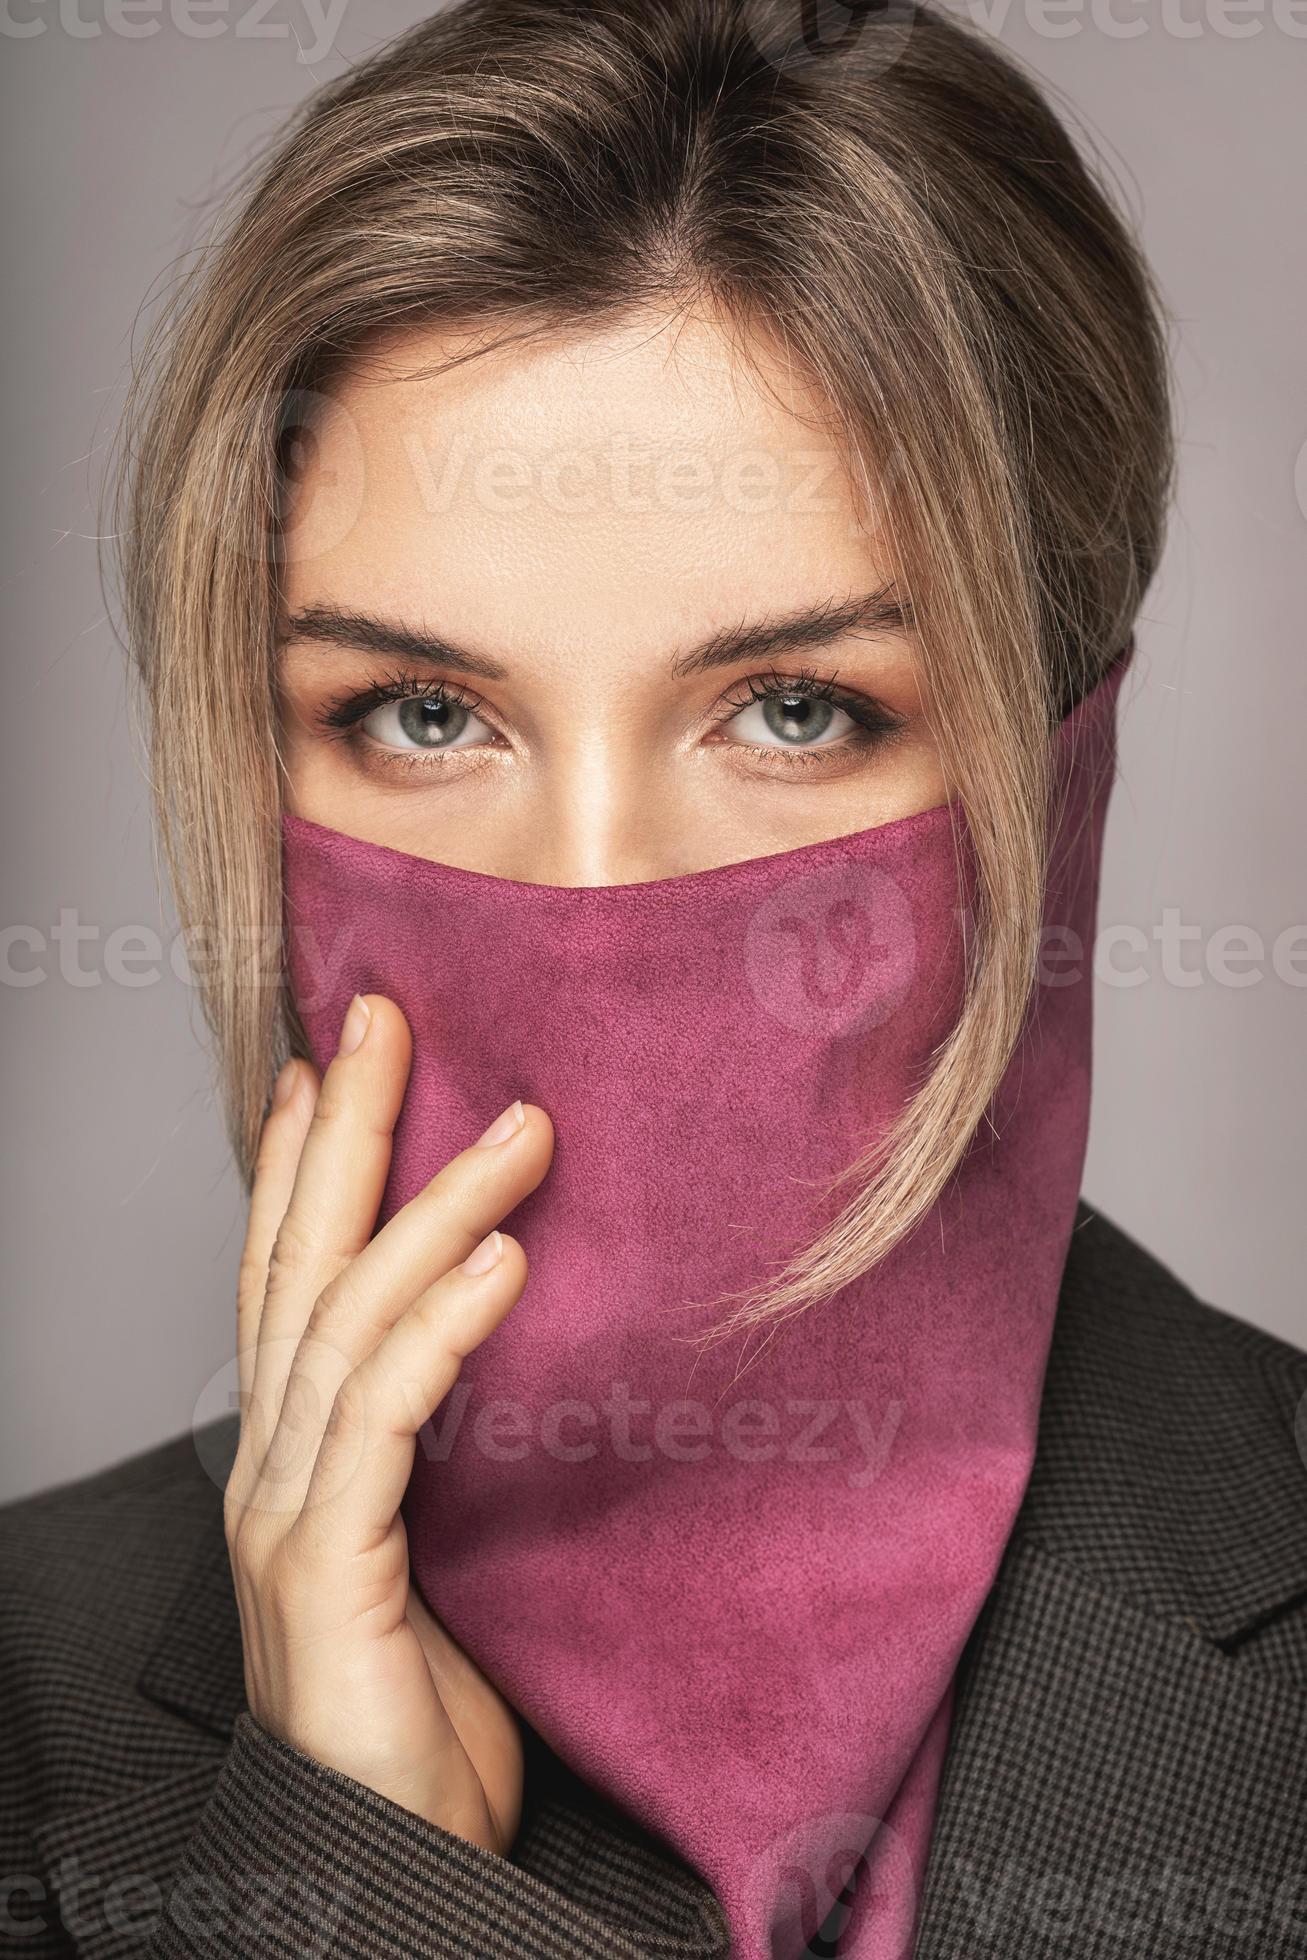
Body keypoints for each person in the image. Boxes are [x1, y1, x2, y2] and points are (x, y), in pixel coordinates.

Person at [2, 4, 1304, 1956]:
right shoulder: (34, 1681)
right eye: (423, 712)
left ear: (1064, 754)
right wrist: (345, 1881)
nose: (598, 893)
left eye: (795, 709)